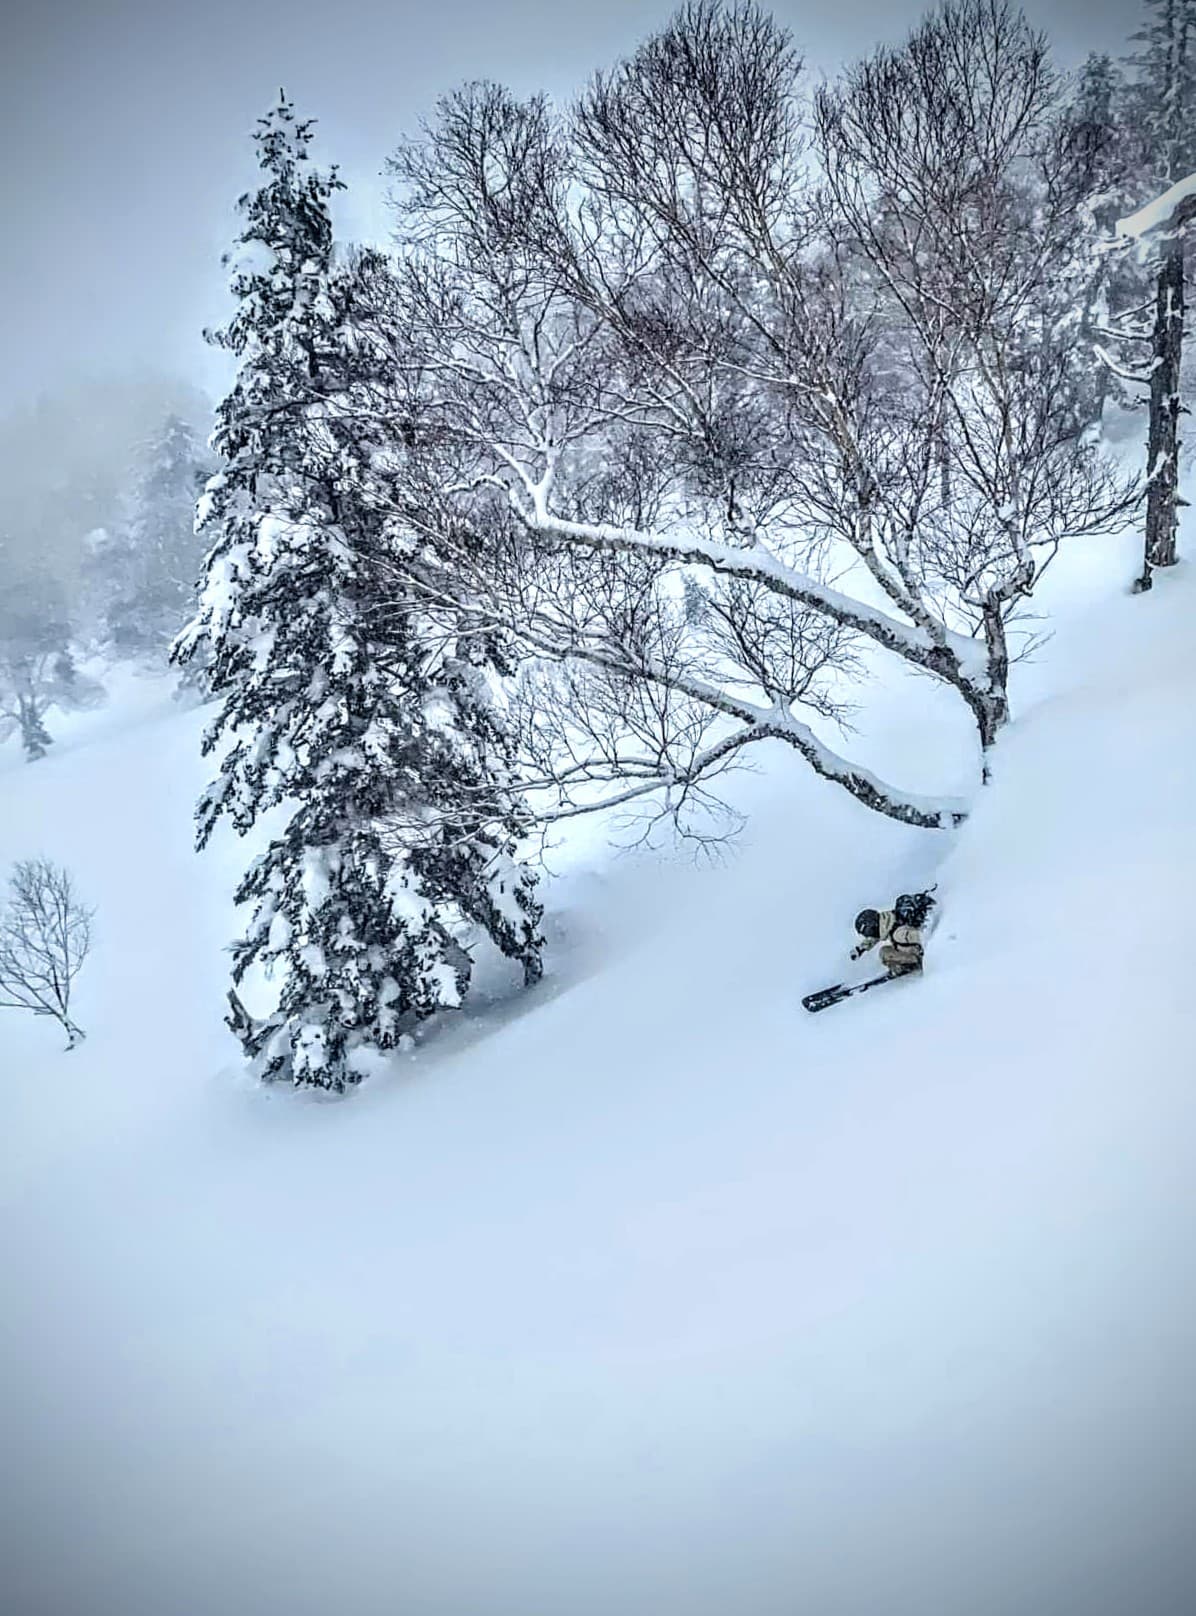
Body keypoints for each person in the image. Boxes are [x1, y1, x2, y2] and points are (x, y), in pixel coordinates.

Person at [850, 904, 925, 977]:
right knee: (885, 951)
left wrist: (924, 960)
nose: (869, 935)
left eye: (868, 932)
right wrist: (861, 948)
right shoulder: (890, 920)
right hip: (915, 951)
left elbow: (922, 938)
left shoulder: (898, 933)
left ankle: (908, 966)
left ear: (872, 926)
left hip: (921, 957)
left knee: (885, 953)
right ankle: (907, 964)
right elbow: (876, 937)